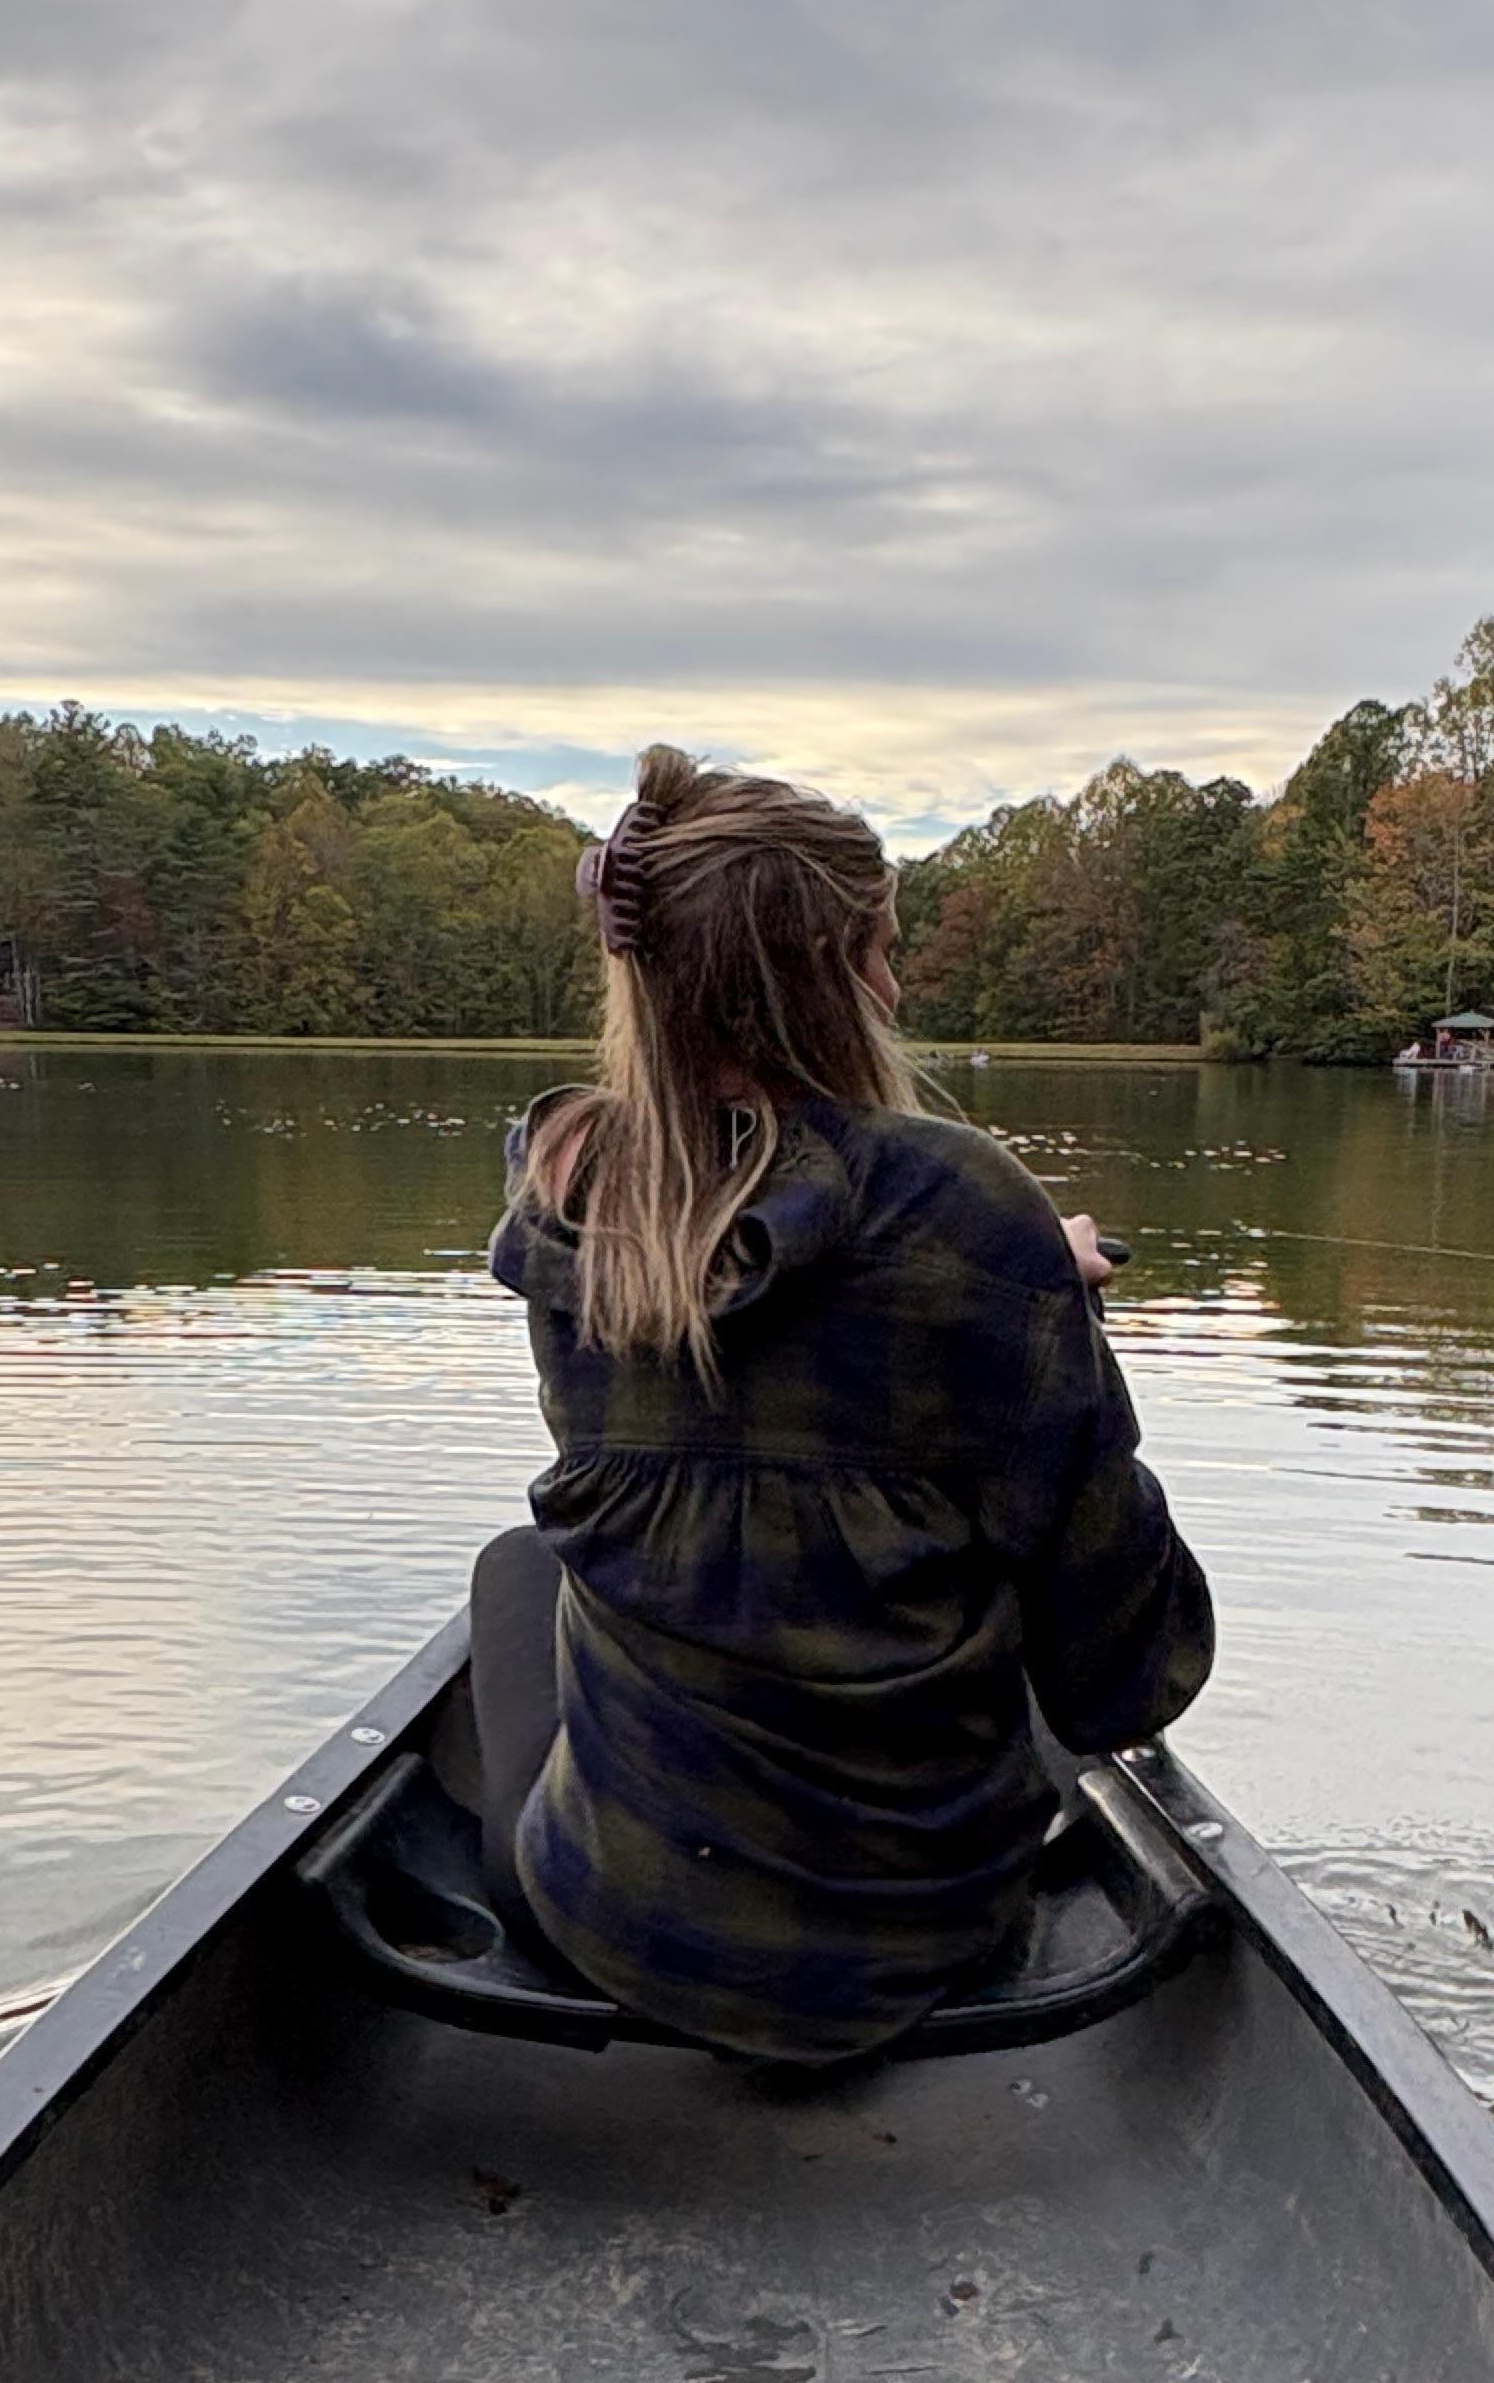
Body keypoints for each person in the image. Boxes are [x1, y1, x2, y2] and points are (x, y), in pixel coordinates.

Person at [476, 740, 1212, 2064]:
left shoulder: (570, 1190)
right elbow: (1124, 1676)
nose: (895, 982)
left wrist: (1019, 1279)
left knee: (525, 1582)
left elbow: (751, 1360)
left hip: (616, 1925)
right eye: (884, 951)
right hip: (915, 1951)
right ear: (835, 978)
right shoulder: (972, 1211)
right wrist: (1049, 1294)